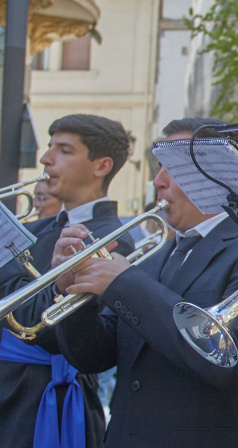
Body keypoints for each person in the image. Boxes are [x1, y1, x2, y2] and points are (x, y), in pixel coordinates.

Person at [51, 118, 238, 447]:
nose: (158, 181)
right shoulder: (152, 255)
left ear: (218, 173)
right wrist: (70, 288)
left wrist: (125, 283)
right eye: (159, 166)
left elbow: (227, 358)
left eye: (172, 167)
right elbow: (92, 357)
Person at [0, 114, 133, 448]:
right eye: (48, 148)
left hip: (41, 399)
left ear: (101, 166)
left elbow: (47, 328)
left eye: (63, 150)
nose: (45, 159)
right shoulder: (35, 229)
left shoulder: (115, 238)